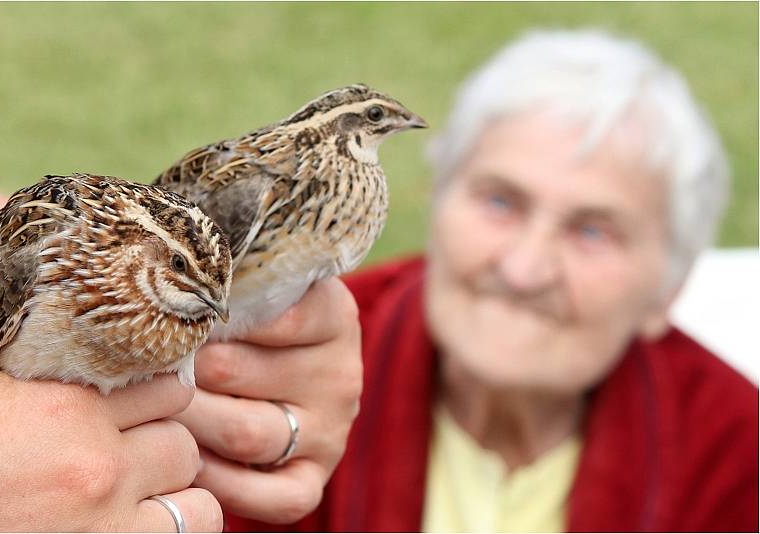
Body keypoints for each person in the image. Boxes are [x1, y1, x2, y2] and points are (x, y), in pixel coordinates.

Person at [224, 29, 759, 532]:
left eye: (592, 231)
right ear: (437, 201)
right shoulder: (281, 346)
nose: (524, 269)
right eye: (500, 201)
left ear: (668, 289)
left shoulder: (734, 446)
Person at [0, 181, 363, 530]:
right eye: (178, 266)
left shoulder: (195, 309)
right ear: (143, 251)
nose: (212, 305)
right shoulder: (46, 252)